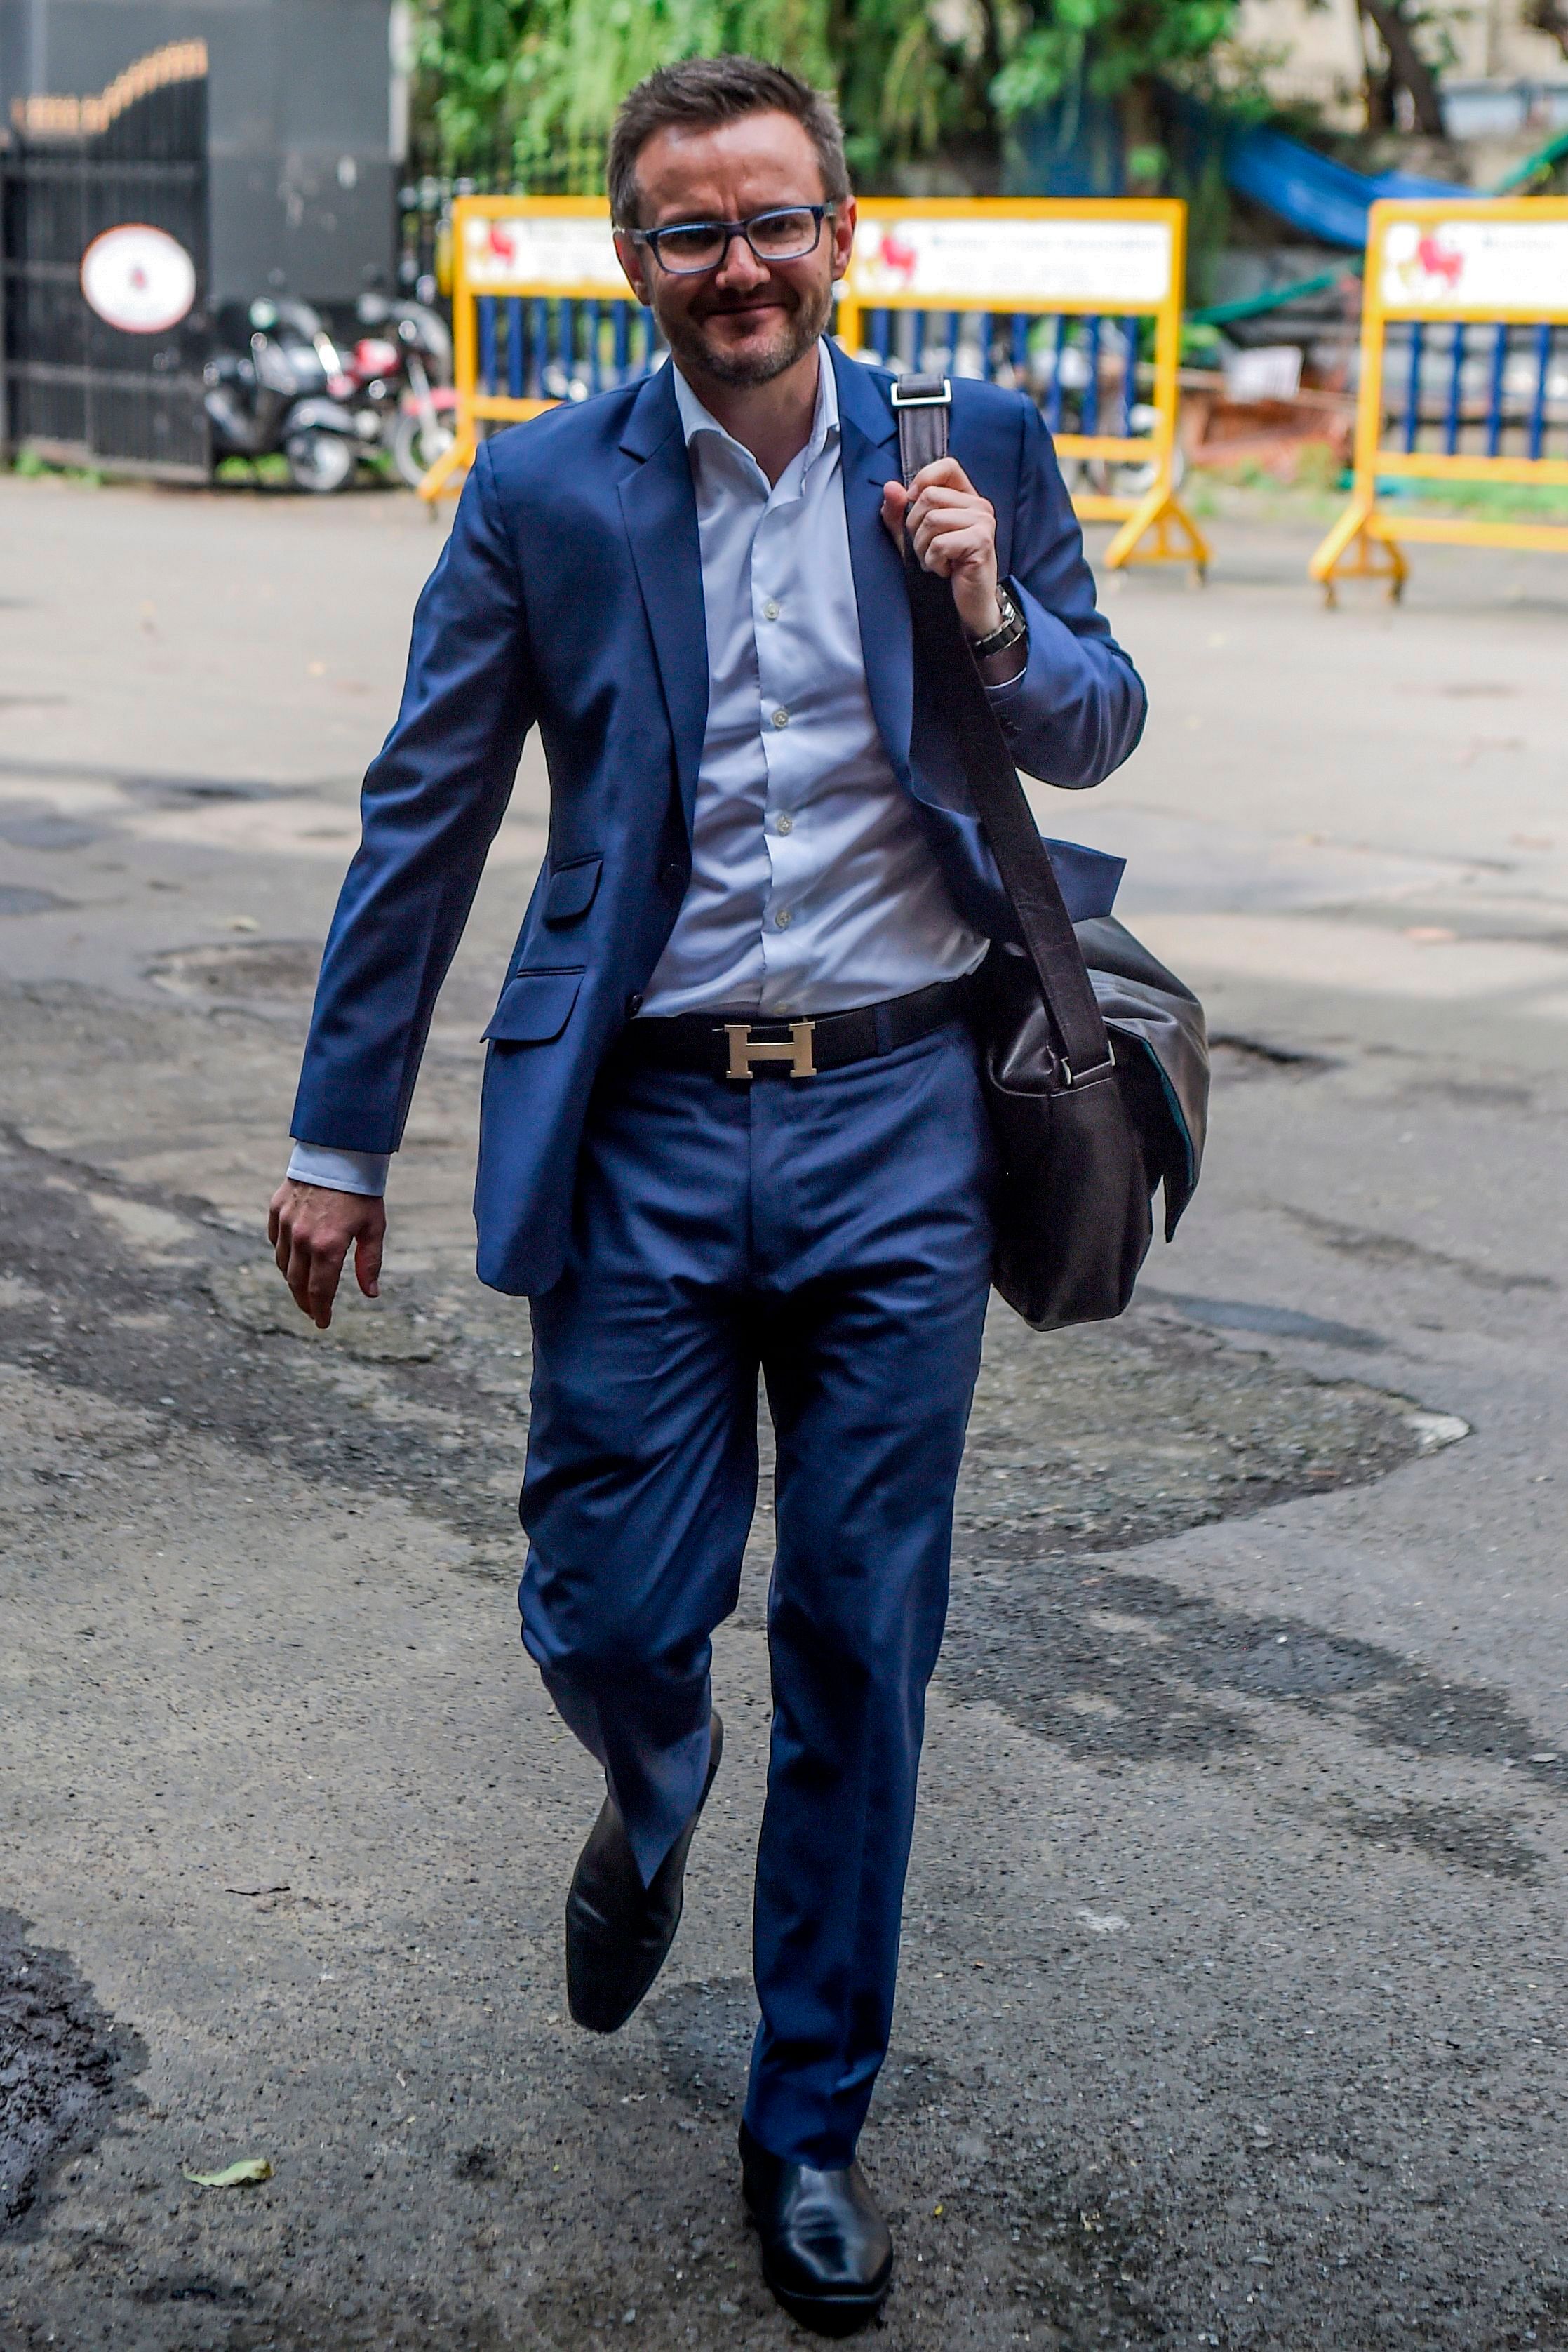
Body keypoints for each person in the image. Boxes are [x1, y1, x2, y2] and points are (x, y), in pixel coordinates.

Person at [269, 55, 1146, 2336]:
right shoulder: (544, 486)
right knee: (610, 1598)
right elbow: (424, 813)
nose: (733, 265)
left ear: (841, 238)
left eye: (771, 223)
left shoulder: (977, 448)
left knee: (864, 1635)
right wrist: (332, 1137)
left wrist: (984, 614)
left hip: (898, 1127)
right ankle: (645, 1783)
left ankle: (806, 2125)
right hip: (647, 1120)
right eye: (688, 231)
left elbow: (1094, 720)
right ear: (632, 258)